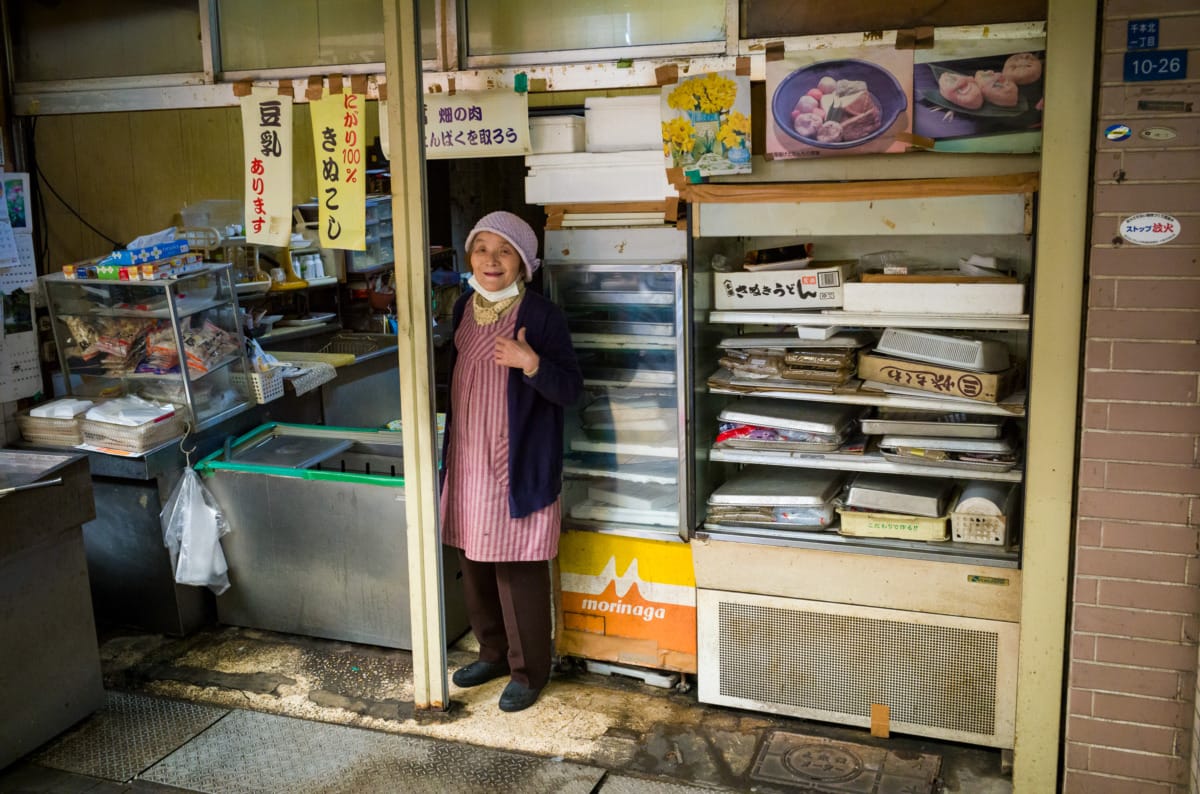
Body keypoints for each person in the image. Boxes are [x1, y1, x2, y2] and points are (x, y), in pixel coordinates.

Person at [438, 210, 583, 712]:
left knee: (517, 569)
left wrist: (532, 364)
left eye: (504, 251)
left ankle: (529, 670)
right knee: (473, 563)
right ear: (470, 257)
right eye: (481, 249)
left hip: (516, 467)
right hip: (469, 461)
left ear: (523, 261)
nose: (491, 260)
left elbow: (570, 389)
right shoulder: (461, 308)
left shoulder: (542, 316)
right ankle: (493, 653)